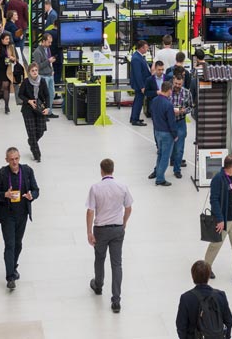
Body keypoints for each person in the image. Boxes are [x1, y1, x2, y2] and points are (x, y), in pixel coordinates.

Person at [86, 158, 133, 314]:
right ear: (113, 170)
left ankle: (98, 285)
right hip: (117, 229)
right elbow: (128, 208)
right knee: (117, 264)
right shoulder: (122, 187)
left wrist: (89, 232)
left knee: (100, 258)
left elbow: (90, 211)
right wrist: (124, 223)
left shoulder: (95, 188)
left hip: (101, 229)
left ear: (101, 170)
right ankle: (116, 300)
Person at [0, 147, 40, 290]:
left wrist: (32, 196)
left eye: (16, 158)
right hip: (7, 215)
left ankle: (13, 267)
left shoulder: (27, 171)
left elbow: (36, 190)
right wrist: (5, 195)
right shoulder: (1, 173)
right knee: (10, 245)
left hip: (22, 214)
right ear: (6, 160)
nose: (14, 162)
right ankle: (10, 277)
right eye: (11, 159)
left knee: (18, 244)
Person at [205, 155, 232, 287]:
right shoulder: (218, 179)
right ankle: (206, 267)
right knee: (215, 245)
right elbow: (214, 200)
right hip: (223, 220)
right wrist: (220, 219)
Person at [175, 260, 232, 339]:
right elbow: (229, 321)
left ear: (193, 276)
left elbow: (181, 326)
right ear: (208, 276)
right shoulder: (220, 295)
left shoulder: (186, 298)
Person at [18, 63, 50, 162]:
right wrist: (29, 101)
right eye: (32, 71)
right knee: (31, 132)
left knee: (41, 130)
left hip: (40, 108)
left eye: (36, 70)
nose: (35, 72)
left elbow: (47, 95)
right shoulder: (26, 82)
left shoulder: (42, 81)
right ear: (29, 72)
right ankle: (37, 155)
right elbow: (20, 94)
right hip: (28, 110)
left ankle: (31, 141)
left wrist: (48, 108)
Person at [151, 81, 177, 187]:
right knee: (165, 157)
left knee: (160, 154)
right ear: (169, 90)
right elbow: (171, 122)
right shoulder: (168, 104)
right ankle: (160, 179)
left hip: (157, 131)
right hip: (167, 134)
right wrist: (175, 135)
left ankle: (158, 173)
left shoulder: (154, 101)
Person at [169, 74, 194, 180]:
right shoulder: (168, 91)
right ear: (173, 81)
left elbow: (191, 107)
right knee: (168, 147)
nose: (177, 86)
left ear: (182, 83)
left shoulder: (187, 93)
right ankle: (171, 161)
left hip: (180, 122)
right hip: (169, 123)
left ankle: (177, 170)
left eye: (179, 84)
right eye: (176, 83)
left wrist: (184, 111)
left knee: (179, 148)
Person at [31, 33, 58, 117]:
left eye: (51, 42)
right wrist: (48, 61)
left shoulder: (48, 49)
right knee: (43, 96)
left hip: (50, 75)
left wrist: (52, 69)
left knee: (51, 94)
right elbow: (38, 66)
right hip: (43, 76)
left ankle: (49, 112)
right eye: (49, 42)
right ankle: (43, 113)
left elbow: (49, 63)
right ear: (43, 41)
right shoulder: (37, 52)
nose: (50, 44)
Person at [129, 40, 151, 126]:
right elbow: (137, 74)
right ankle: (135, 120)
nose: (147, 49)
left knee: (137, 101)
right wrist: (142, 86)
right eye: (146, 47)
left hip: (141, 83)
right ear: (141, 48)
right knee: (138, 101)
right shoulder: (136, 58)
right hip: (139, 84)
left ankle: (134, 117)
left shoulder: (139, 56)